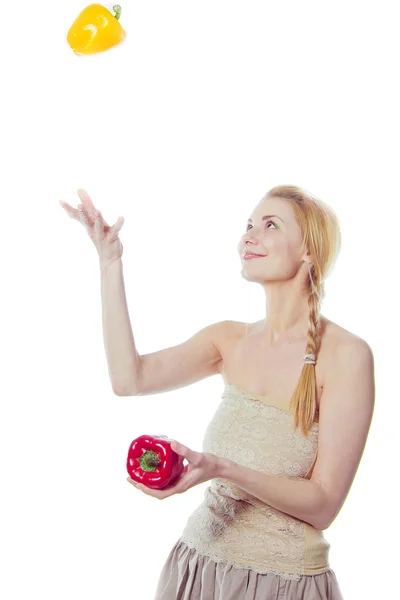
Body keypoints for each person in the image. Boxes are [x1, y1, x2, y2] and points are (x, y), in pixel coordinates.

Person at [60, 184, 375, 599]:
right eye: (248, 224)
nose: (249, 235)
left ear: (308, 251)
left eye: (269, 225)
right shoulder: (228, 340)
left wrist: (221, 468)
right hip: (196, 570)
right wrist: (109, 263)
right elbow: (129, 379)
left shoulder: (347, 355)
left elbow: (323, 506)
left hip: (283, 585)